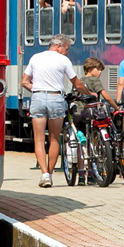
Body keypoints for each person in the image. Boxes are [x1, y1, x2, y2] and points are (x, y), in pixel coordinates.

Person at [21, 34, 88, 188]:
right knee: (54, 139)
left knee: (39, 139)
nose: (67, 52)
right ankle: (49, 175)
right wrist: (89, 93)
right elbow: (77, 84)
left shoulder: (35, 58)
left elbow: (24, 82)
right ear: (58, 46)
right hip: (55, 99)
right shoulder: (63, 60)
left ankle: (43, 174)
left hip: (37, 98)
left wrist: (38, 89)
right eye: (67, 48)